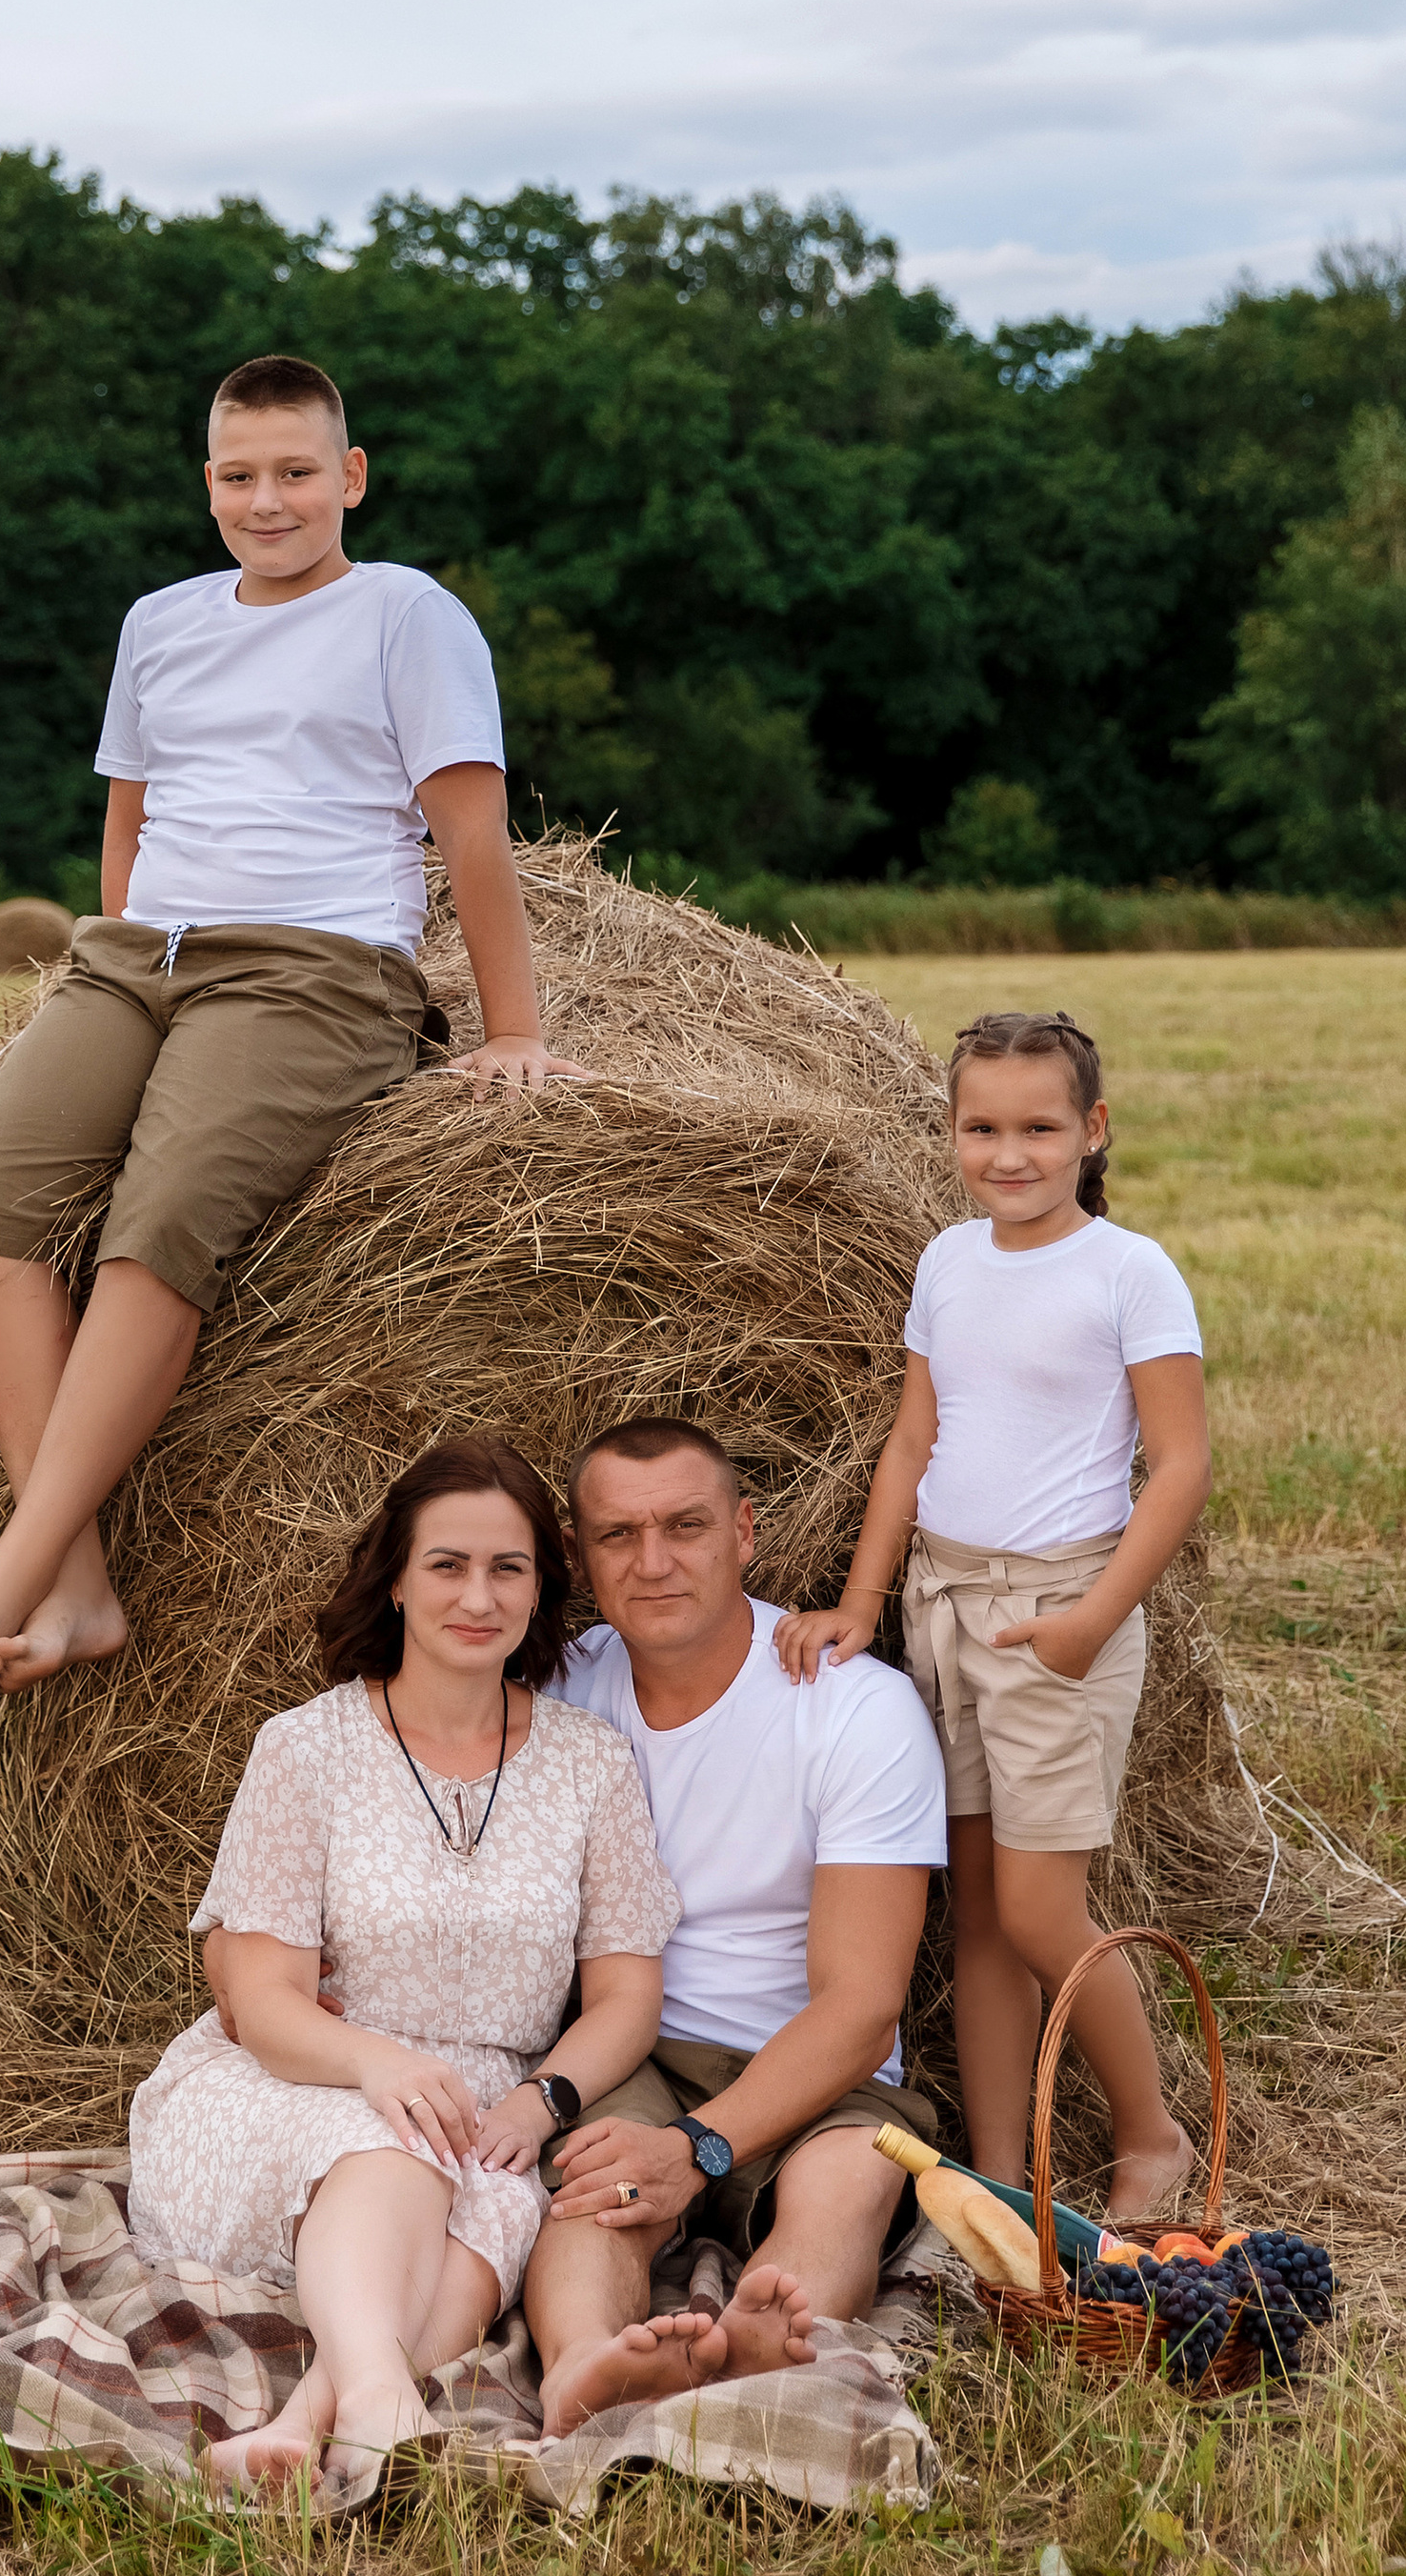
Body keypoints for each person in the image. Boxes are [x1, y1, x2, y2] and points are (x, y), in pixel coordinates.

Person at [0, 353, 591, 1728]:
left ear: (352, 479)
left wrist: (515, 1032)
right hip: (138, 961)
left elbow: (472, 834)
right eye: (240, 476)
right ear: (208, 483)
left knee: (157, 1228)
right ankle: (77, 1584)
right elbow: (130, 820)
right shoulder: (160, 622)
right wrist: (110, 975)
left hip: (314, 972)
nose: (269, 501)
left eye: (297, 473)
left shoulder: (408, 616)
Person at [129, 1435, 678, 2495]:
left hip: (489, 2111)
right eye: (447, 1565)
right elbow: (262, 2005)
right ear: (394, 1577)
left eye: (507, 1568)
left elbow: (625, 1995)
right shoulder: (306, 1749)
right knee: (391, 2153)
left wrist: (539, 2101)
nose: (478, 1595)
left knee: (481, 2246)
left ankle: (302, 2422)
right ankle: (378, 2402)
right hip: (303, 2082)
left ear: (540, 1588)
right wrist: (376, 2066)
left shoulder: (589, 1763)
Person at [778, 1008, 1211, 2219]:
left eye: (1037, 1126)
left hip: (1056, 1610)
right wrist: (864, 1605)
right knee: (974, 1909)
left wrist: (1087, 1622)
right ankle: (1005, 2176)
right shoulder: (946, 1262)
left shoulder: (1128, 1270)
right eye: (981, 1127)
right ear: (951, 1132)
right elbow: (914, 1439)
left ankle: (1150, 2131)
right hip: (942, 1602)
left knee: (1036, 1907)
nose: (1007, 1153)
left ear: (1092, 1131)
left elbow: (1177, 1470)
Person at [524, 1416, 951, 2441]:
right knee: (593, 2175)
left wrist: (701, 2148)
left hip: (819, 2070)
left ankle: (761, 2335)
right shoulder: (554, 1691)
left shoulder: (854, 1710)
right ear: (578, 1558)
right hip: (640, 2043)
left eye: (685, 1525)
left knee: (849, 2178)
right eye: (618, 1537)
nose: (654, 1560)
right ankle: (584, 2362)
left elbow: (860, 2008)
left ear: (745, 1532)